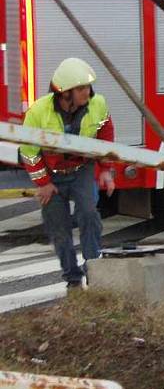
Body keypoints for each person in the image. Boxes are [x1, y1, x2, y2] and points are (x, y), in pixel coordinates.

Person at [19, 57, 115, 291]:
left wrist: (105, 169)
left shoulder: (98, 104)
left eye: (88, 87)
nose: (88, 93)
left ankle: (94, 271)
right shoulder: (38, 112)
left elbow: (106, 136)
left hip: (82, 170)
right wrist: (43, 183)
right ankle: (72, 279)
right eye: (81, 88)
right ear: (64, 93)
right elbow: (29, 152)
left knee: (89, 215)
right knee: (58, 228)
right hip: (51, 176)